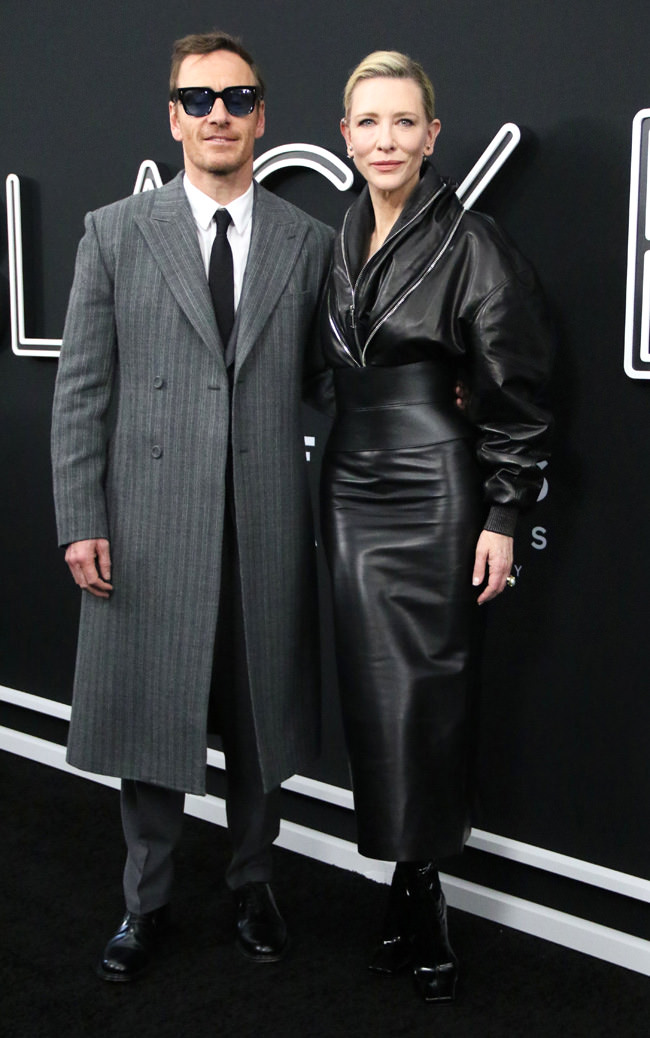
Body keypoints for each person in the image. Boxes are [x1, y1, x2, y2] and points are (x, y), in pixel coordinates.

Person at [51, 31, 332, 982]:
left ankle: (254, 883)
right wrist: (80, 516)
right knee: (151, 715)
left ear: (263, 116)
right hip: (149, 520)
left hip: (265, 520)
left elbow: (330, 383)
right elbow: (81, 390)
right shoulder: (113, 233)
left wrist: (426, 391)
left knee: (259, 720)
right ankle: (146, 902)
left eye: (238, 98)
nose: (220, 114)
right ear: (173, 117)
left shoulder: (308, 243)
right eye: (200, 99)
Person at [316, 51, 553, 1003]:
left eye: (404, 122)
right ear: (346, 136)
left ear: (431, 135)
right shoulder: (335, 239)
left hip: (435, 485)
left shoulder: (473, 242)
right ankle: (405, 881)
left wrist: (505, 511)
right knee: (376, 696)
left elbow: (518, 393)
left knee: (431, 694)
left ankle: (424, 892)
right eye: (369, 122)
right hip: (349, 479)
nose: (387, 139)